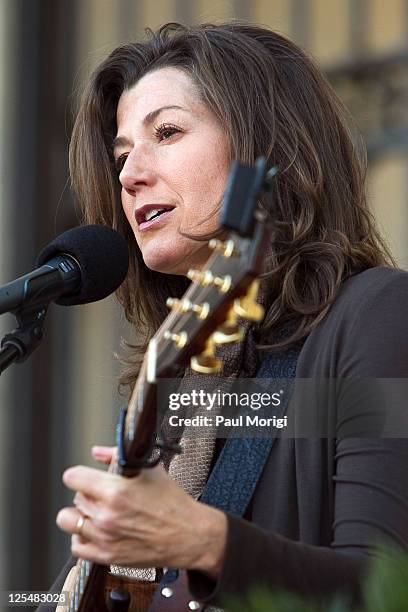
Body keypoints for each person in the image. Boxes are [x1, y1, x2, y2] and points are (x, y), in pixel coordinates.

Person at [42, 22, 408, 611]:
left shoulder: (378, 314)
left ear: (264, 151)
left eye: (166, 131)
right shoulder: (174, 376)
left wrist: (204, 540)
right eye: (122, 154)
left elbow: (387, 589)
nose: (130, 174)